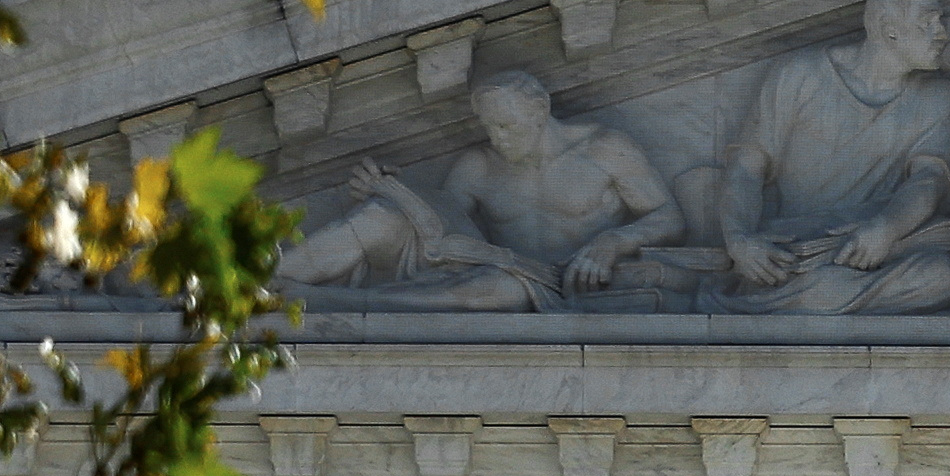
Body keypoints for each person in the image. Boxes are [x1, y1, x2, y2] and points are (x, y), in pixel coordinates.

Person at [267, 70, 685, 310]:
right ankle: (266, 284)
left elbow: (669, 217)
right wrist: (390, 191)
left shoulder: (605, 149)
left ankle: (347, 305)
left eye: (506, 126)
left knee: (497, 291)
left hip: (552, 285)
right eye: (489, 128)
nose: (498, 139)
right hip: (487, 264)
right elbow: (440, 235)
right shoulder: (478, 166)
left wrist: (614, 241)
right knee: (382, 216)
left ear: (541, 110)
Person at [702, 0, 950, 313]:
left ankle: (817, 299)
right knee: (817, 286)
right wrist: (739, 241)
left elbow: (929, 180)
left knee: (942, 276)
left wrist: (885, 230)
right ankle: (812, 295)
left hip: (881, 253)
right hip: (797, 253)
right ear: (890, 30)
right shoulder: (799, 74)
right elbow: (746, 169)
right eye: (928, 22)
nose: (942, 34)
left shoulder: (936, 98)